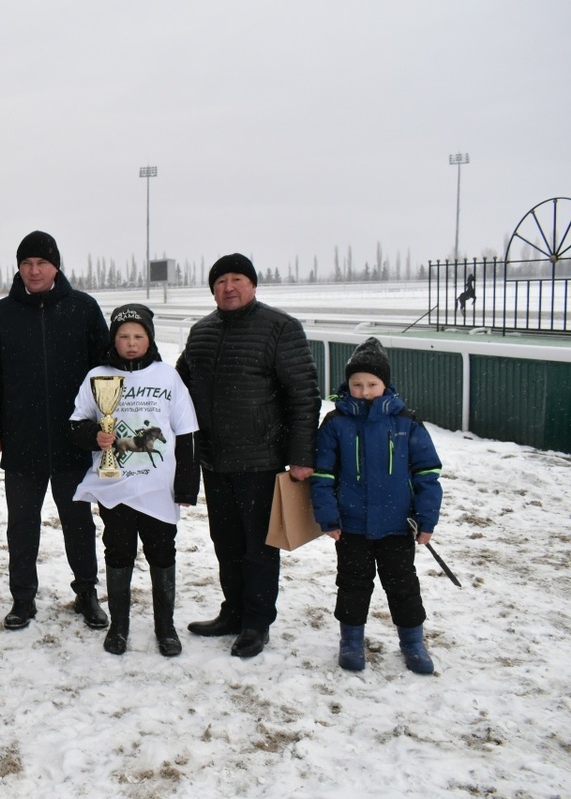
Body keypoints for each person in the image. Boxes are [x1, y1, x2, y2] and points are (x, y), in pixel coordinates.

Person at [176, 253, 320, 658]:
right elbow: (178, 386)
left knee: (259, 546)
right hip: (214, 459)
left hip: (261, 459)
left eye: (238, 279)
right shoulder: (201, 332)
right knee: (225, 542)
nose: (229, 287)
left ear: (253, 285)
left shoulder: (280, 328)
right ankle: (233, 611)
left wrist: (301, 455)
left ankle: (257, 622)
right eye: (221, 281)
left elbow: (304, 395)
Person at [0, 230, 111, 631]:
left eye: (42, 263)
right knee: (22, 524)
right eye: (27, 263)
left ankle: (86, 592)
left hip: (73, 440)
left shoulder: (83, 308)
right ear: (18, 267)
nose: (34, 271)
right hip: (22, 439)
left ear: (56, 267)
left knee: (78, 521)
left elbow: (105, 369)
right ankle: (22, 598)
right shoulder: (1, 314)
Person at [68, 304, 199, 656]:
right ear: (114, 339)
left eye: (138, 336)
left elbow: (186, 433)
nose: (130, 342)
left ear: (149, 339)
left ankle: (165, 627)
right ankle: (120, 627)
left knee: (162, 552)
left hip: (159, 487)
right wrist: (95, 435)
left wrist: (187, 484)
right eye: (123, 336)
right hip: (116, 487)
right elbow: (76, 424)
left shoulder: (167, 376)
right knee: (118, 551)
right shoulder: (98, 375)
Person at [310, 337, 443, 674]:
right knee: (353, 584)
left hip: (397, 526)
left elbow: (427, 473)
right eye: (357, 384)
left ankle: (412, 641)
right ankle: (351, 640)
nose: (364, 390)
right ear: (347, 385)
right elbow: (323, 475)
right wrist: (328, 517)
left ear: (385, 385)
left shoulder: (406, 423)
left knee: (403, 585)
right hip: (351, 526)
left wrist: (425, 520)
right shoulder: (335, 424)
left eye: (372, 383)